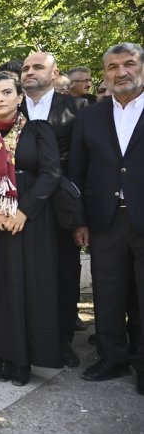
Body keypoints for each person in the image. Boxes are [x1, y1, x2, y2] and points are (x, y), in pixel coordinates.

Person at [0, 73, 62, 386]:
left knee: (29, 286)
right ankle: (2, 353)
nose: (0, 99)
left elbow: (51, 173)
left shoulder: (38, 130)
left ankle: (25, 359)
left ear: (20, 97)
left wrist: (24, 211)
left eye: (7, 93)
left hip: (29, 222)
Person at [69, 42, 144, 396]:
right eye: (113, 67)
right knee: (108, 292)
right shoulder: (90, 115)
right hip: (105, 220)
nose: (121, 72)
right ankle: (112, 356)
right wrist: (80, 219)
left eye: (129, 64)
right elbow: (78, 172)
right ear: (105, 75)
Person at [21, 51, 86, 367]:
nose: (29, 72)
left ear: (55, 73)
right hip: (15, 205)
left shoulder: (76, 109)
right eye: (25, 68)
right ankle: (20, 339)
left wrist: (80, 216)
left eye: (37, 67)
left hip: (59, 205)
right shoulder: (8, 105)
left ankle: (61, 342)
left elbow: (82, 164)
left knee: (63, 274)